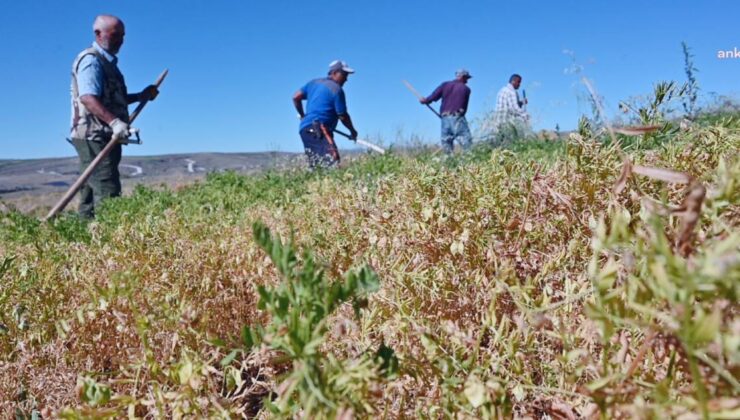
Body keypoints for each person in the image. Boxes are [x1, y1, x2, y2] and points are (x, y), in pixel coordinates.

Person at [70, 14, 158, 219]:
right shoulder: (91, 61)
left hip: (104, 135)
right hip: (93, 135)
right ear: (98, 34)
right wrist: (115, 122)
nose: (121, 40)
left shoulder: (110, 65)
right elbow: (88, 98)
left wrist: (140, 96)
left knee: (91, 192)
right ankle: (108, 240)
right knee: (106, 188)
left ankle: (85, 239)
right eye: (116, 34)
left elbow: (111, 100)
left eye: (123, 35)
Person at [293, 60, 359, 169]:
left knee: (318, 166)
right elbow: (342, 115)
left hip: (305, 130)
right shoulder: (336, 89)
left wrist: (303, 116)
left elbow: (296, 97)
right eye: (344, 75)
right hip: (318, 129)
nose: (346, 79)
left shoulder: (314, 83)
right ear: (334, 73)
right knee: (331, 162)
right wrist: (352, 131)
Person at [420, 69, 473, 154]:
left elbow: (432, 97)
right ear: (462, 77)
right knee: (467, 144)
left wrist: (425, 100)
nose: (467, 81)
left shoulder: (445, 85)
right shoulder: (466, 89)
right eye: (466, 78)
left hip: (445, 119)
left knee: (447, 144)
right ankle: (469, 164)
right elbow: (464, 107)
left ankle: (448, 164)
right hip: (458, 118)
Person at [490, 74, 530, 145]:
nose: (519, 84)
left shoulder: (502, 90)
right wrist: (525, 115)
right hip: (506, 123)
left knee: (497, 143)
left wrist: (521, 102)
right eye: (518, 82)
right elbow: (514, 108)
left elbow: (509, 104)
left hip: (497, 121)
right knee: (509, 143)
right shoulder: (512, 92)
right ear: (513, 81)